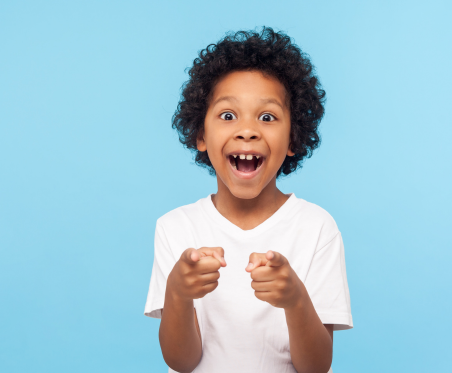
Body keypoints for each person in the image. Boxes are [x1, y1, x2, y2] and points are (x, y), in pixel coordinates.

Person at [144, 27, 353, 373]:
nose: (247, 130)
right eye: (228, 116)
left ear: (292, 139)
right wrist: (178, 294)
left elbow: (315, 366)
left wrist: (295, 300)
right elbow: (181, 361)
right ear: (200, 133)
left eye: (267, 117)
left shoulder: (316, 228)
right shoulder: (176, 228)